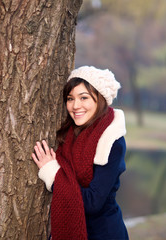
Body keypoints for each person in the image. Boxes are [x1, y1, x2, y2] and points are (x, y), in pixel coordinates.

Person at [32, 66, 129, 240]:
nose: (75, 106)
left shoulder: (112, 140)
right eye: (70, 99)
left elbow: (93, 202)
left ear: (100, 99)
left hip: (104, 233)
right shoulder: (70, 133)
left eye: (83, 97)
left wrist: (53, 174)